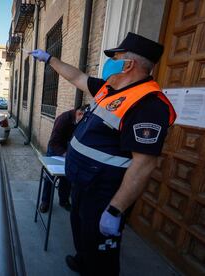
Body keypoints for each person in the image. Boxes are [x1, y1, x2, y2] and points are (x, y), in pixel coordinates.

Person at [30, 32, 176, 275]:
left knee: (102, 252)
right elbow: (77, 76)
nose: (110, 62)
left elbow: (144, 165)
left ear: (128, 64)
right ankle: (81, 261)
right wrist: (49, 59)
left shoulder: (149, 105)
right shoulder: (110, 89)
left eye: (115, 57)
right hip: (83, 183)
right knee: (80, 228)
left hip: (104, 193)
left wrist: (115, 210)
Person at [39, 105, 87, 213]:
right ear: (79, 113)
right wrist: (65, 154)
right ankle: (45, 201)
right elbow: (53, 142)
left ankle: (64, 201)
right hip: (55, 148)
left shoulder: (79, 121)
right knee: (49, 176)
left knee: (67, 176)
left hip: (67, 148)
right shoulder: (63, 119)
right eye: (84, 120)